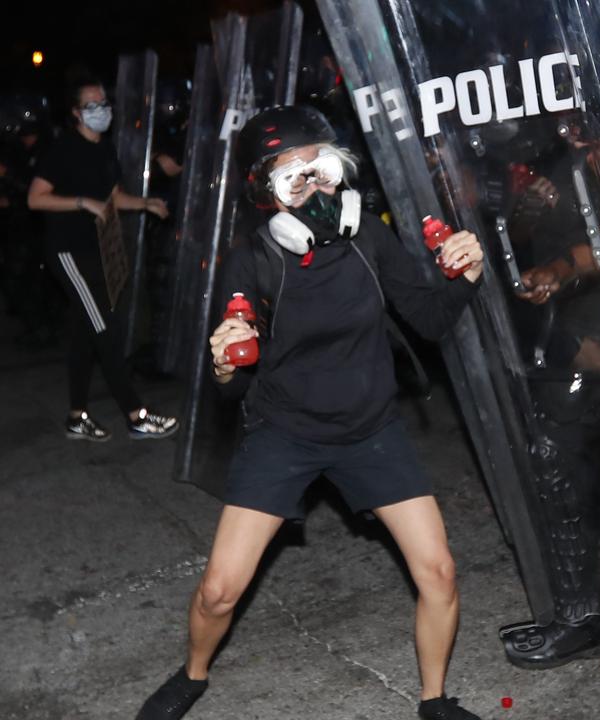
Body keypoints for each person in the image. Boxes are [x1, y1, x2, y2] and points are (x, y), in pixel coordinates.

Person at [134, 105, 487, 720]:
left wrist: (465, 277)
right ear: (265, 192)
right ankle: (192, 675)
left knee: (440, 572)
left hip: (370, 429)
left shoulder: (369, 238)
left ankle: (435, 701)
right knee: (219, 593)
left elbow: (429, 319)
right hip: (286, 433)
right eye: (292, 174)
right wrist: (223, 363)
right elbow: (232, 385)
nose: (313, 183)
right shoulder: (255, 259)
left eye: (319, 167)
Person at [27, 71, 175, 441]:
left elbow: (111, 197)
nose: (100, 110)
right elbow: (35, 197)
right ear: (76, 113)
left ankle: (77, 417)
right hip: (68, 253)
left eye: (103, 103)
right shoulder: (63, 150)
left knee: (84, 334)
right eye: (91, 105)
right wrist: (80, 202)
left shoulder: (103, 147)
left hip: (95, 251)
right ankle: (136, 414)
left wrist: (144, 204)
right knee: (104, 331)